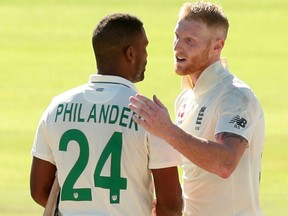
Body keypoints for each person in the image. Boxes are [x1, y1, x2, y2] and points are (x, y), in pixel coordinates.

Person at [30, 13, 183, 216]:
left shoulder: (57, 107)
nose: (146, 56)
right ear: (130, 53)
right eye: (144, 48)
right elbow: (170, 206)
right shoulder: (150, 116)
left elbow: (39, 189)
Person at [129, 2, 265, 216]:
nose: (177, 47)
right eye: (177, 36)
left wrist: (167, 130)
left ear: (217, 47)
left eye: (190, 41)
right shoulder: (185, 98)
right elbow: (197, 172)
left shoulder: (236, 96)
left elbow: (225, 163)